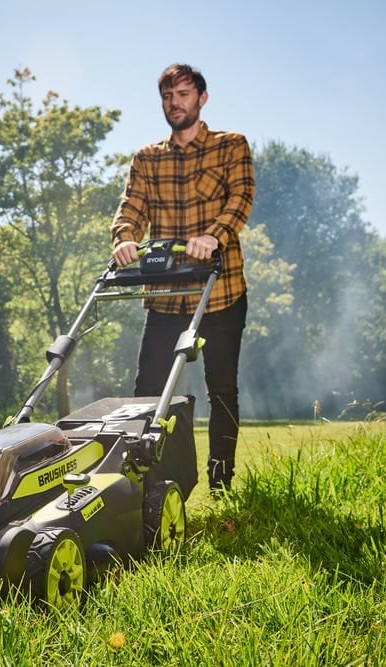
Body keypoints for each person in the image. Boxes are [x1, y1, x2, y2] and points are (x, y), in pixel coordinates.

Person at [110, 63, 254, 493]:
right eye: (168, 96)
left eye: (183, 95)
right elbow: (131, 207)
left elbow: (241, 196)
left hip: (220, 290)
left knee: (221, 389)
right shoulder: (148, 158)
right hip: (167, 295)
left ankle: (221, 481)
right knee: (148, 388)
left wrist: (213, 236)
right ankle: (152, 482)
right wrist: (124, 238)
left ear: (202, 98)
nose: (175, 103)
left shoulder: (230, 146)